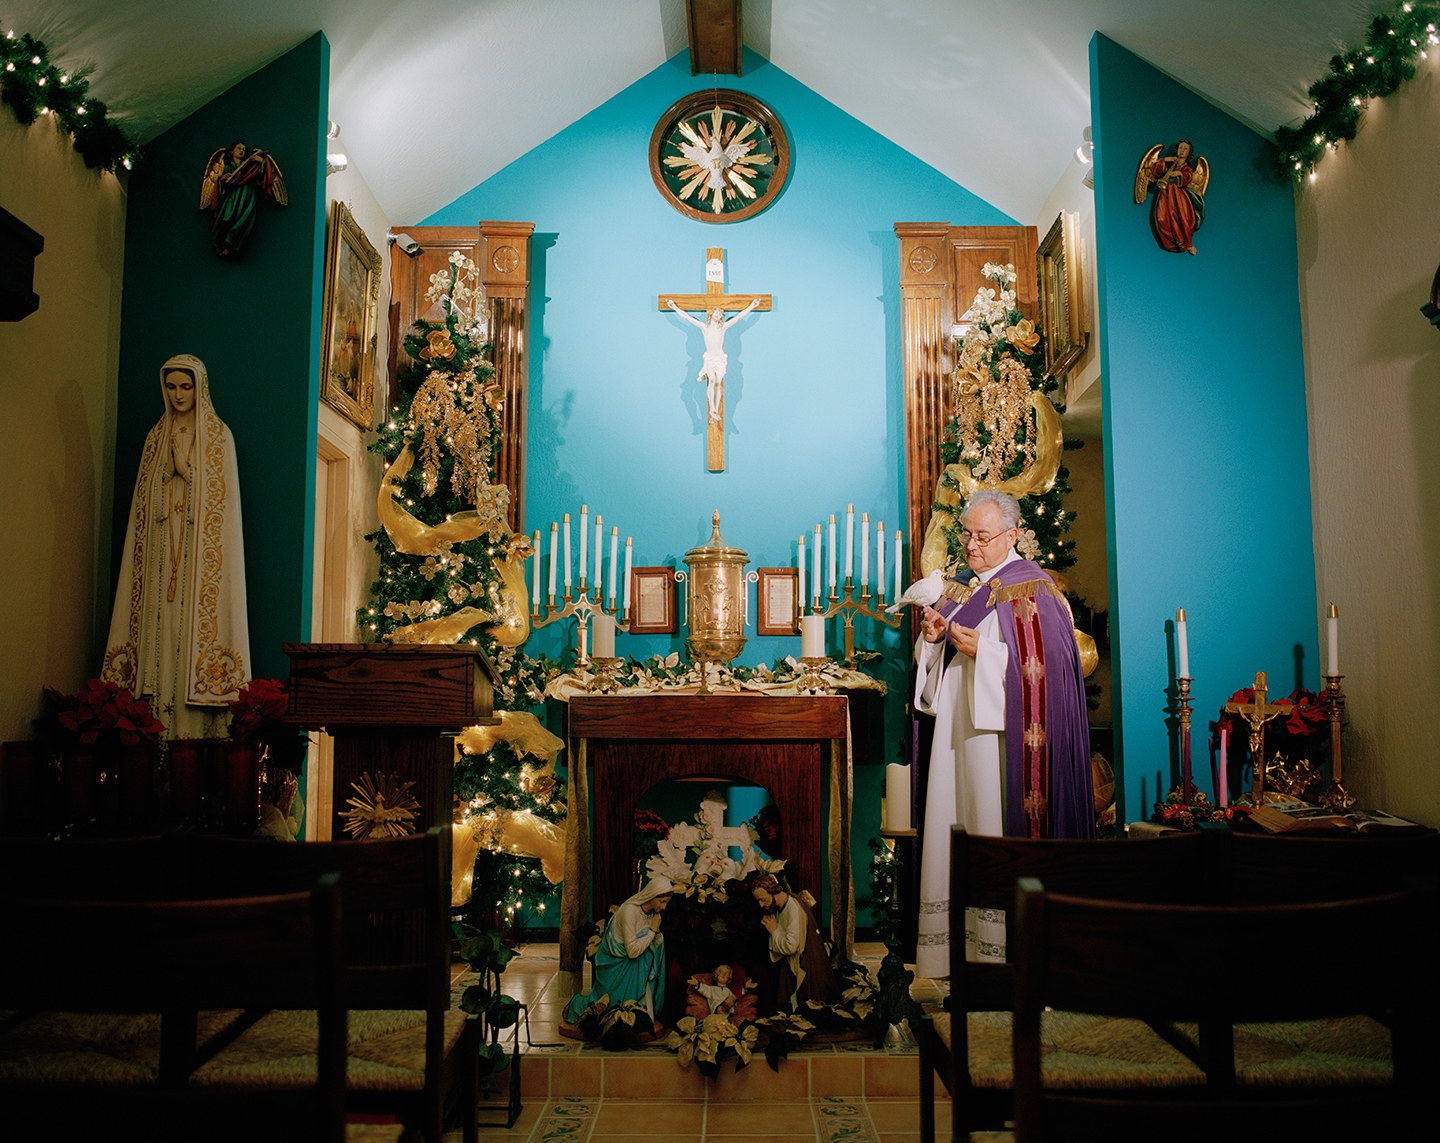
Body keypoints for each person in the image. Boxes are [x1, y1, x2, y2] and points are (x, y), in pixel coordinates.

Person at [912, 489, 1092, 980]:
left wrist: (984, 655)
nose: (971, 545)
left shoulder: (1035, 589)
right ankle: (951, 952)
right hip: (954, 732)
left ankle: (998, 953)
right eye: (967, 534)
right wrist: (932, 642)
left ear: (1012, 535)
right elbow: (930, 668)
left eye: (982, 536)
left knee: (989, 822)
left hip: (999, 745)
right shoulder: (960, 587)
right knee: (955, 819)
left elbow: (1053, 669)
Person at [103, 355, 251, 739]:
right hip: (159, 561)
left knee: (189, 635)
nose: (178, 394)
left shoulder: (219, 437)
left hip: (198, 567)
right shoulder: (156, 437)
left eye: (186, 386)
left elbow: (221, 507)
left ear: (199, 387)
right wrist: (165, 476)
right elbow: (143, 506)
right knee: (160, 632)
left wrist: (186, 471)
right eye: (171, 386)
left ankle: (191, 739)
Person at [563, 877, 673, 1024]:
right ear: (652, 895)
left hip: (633, 966)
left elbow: (648, 943)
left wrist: (656, 936)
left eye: (666, 902)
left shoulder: (651, 913)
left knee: (626, 1015)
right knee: (607, 1008)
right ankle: (576, 1005)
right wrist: (653, 931)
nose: (664, 907)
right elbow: (632, 952)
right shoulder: (629, 912)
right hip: (614, 964)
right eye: (662, 902)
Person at [746, 871, 840, 1012]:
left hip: (806, 965)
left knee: (811, 1008)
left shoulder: (793, 908)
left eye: (763, 899)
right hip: (792, 964)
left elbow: (791, 946)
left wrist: (774, 930)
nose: (761, 905)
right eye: (758, 901)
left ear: (773, 892)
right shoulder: (779, 905)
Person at [666, 298, 761, 423]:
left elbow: (738, 317)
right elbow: (687, 318)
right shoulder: (704, 328)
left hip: (720, 359)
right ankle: (712, 411)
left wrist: (752, 306)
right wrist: (674, 307)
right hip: (710, 359)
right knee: (712, 382)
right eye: (716, 313)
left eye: (721, 314)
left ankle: (715, 409)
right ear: (712, 314)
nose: (718, 315)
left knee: (717, 383)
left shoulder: (723, 327)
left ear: (721, 317)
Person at [199, 140, 288, 256]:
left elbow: (264, 172)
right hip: (233, 196)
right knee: (226, 218)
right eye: (239, 148)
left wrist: (261, 161)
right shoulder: (228, 166)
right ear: (232, 151)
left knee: (242, 221)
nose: (241, 151)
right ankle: (221, 243)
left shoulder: (249, 165)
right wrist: (221, 179)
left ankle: (230, 246)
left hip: (247, 195)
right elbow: (221, 183)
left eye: (243, 150)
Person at [1144, 139, 1205, 255]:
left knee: (1182, 218)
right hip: (1165, 192)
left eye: (1185, 149)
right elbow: (1155, 171)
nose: (1182, 151)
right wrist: (1165, 160)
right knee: (1161, 218)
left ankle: (1187, 243)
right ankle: (1170, 242)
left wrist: (1179, 174)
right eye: (1180, 148)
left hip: (1178, 195)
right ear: (1176, 150)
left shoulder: (1186, 168)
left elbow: (1188, 176)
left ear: (1188, 153)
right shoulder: (1168, 163)